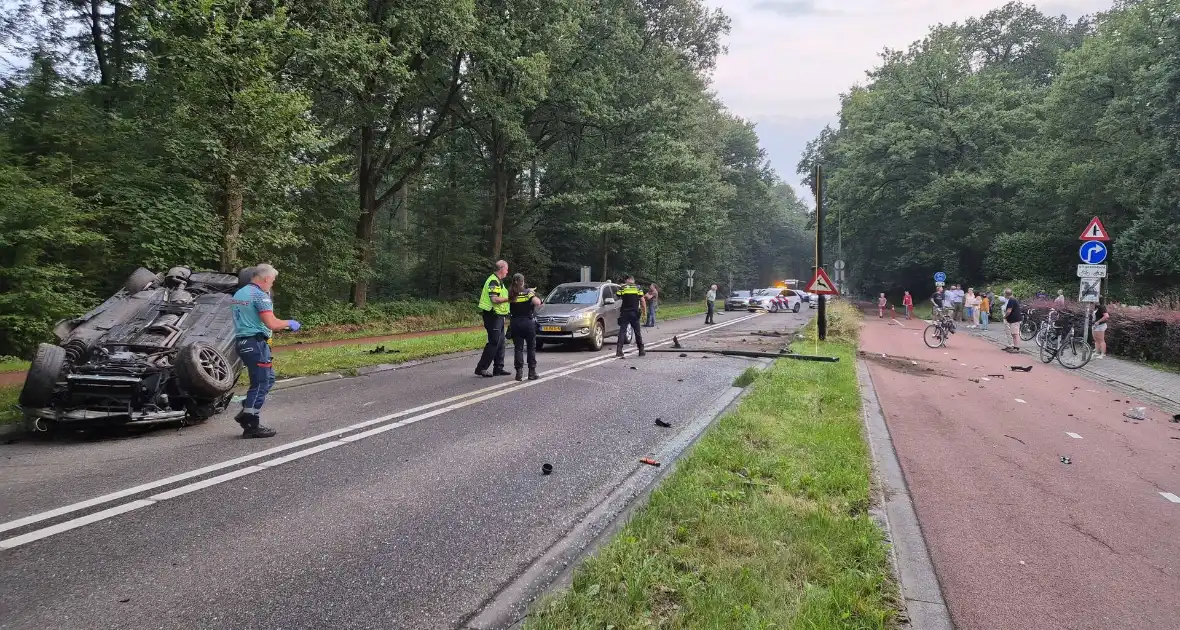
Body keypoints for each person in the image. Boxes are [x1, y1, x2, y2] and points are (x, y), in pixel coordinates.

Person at [231, 264, 300, 439]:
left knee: (268, 378)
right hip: (256, 343)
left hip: (242, 342)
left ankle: (246, 411)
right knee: (261, 383)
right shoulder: (260, 296)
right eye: (273, 280)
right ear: (266, 278)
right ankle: (251, 425)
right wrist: (289, 323)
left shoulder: (240, 293)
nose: (272, 284)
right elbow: (272, 324)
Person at [475, 260, 512, 378]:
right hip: (492, 315)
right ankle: (481, 368)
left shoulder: (499, 282)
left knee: (501, 342)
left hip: (499, 315)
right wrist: (510, 299)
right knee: (494, 341)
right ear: (501, 268)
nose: (507, 271)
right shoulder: (493, 281)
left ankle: (498, 368)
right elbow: (494, 299)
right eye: (506, 269)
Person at [507, 273, 542, 380]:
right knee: (531, 348)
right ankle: (532, 373)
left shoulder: (511, 293)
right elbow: (537, 302)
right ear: (523, 281)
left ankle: (519, 373)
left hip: (515, 323)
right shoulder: (527, 293)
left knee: (518, 348)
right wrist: (532, 293)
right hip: (528, 323)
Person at [616, 275, 647, 358]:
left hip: (625, 313)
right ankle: (641, 350)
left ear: (627, 280)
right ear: (633, 280)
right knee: (637, 332)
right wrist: (644, 313)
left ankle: (619, 350)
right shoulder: (638, 287)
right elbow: (642, 300)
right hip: (634, 313)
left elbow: (618, 296)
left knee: (622, 331)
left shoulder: (623, 288)